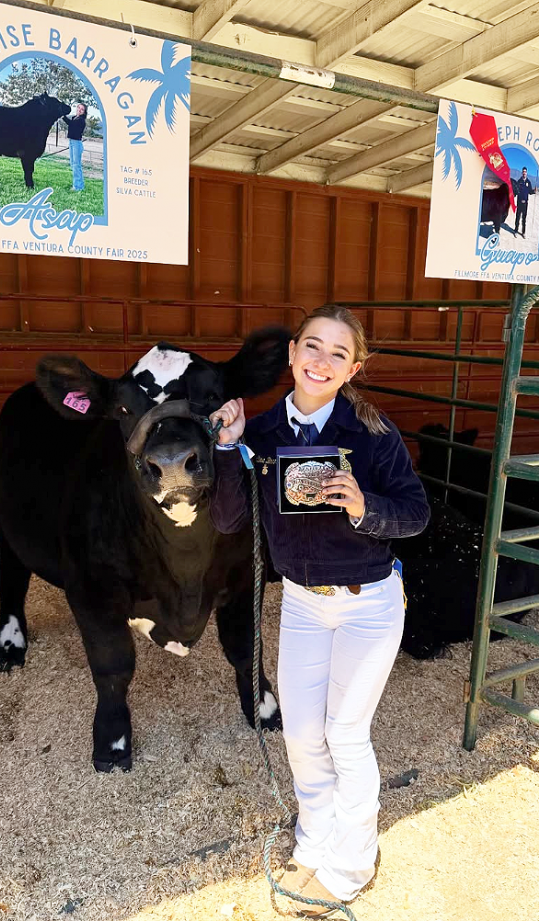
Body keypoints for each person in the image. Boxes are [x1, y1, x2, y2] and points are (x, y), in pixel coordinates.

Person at [209, 305, 430, 914]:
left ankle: (352, 863)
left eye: (338, 353)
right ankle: (315, 836)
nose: (321, 361)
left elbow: (416, 513)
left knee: (345, 734)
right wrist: (227, 448)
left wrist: (364, 506)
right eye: (312, 345)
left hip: (368, 603)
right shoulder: (262, 433)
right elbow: (229, 519)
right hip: (303, 604)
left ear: (353, 368)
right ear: (292, 353)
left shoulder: (373, 433)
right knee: (303, 733)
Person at [63, 102, 87, 192]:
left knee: (76, 165)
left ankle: (78, 186)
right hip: (72, 142)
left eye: (82, 109)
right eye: (79, 108)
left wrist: (63, 116)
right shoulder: (74, 118)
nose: (79, 110)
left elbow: (71, 124)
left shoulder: (81, 120)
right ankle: (77, 184)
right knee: (73, 164)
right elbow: (70, 123)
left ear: (84, 112)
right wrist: (62, 116)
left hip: (76, 143)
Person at [514, 166, 535, 238]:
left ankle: (523, 232)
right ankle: (516, 231)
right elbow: (516, 190)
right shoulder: (519, 181)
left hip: (525, 203)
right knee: (517, 217)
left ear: (526, 173)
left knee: (524, 218)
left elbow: (530, 191)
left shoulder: (528, 182)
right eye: (523, 171)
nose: (524, 173)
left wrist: (534, 191)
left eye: (525, 172)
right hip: (519, 202)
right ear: (522, 172)